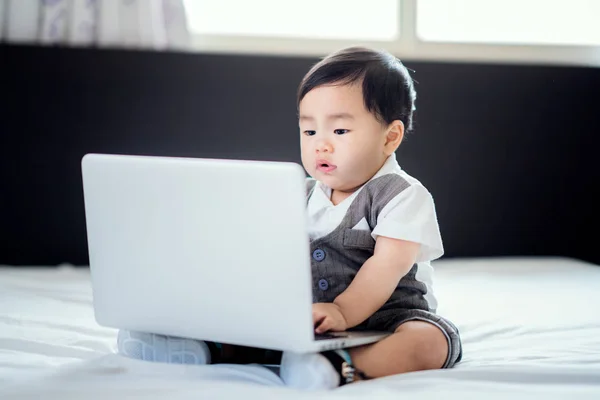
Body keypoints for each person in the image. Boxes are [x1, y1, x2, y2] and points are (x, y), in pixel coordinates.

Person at [117, 46, 462, 390]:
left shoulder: (401, 195)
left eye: (339, 132)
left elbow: (386, 267)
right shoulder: (297, 193)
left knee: (430, 341)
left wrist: (342, 311)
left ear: (391, 137)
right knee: (253, 322)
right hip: (311, 321)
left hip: (390, 318)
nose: (320, 145)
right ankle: (203, 345)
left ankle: (338, 365)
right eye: (309, 131)